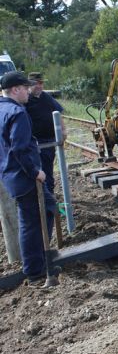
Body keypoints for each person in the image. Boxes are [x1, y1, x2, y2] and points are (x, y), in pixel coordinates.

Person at [0, 71, 58, 284]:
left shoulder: (2, 108)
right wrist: (36, 172)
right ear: (15, 89)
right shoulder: (17, 113)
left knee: (31, 219)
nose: (29, 90)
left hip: (10, 175)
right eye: (25, 87)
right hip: (24, 177)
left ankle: (36, 264)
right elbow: (19, 148)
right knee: (39, 217)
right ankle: (36, 269)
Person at [25, 71, 64, 194]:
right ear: (29, 85)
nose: (39, 86)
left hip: (49, 141)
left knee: (48, 171)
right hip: (34, 143)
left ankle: (50, 196)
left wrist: (63, 130)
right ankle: (41, 197)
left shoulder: (46, 97)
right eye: (36, 83)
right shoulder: (25, 100)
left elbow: (58, 112)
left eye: (41, 83)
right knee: (37, 172)